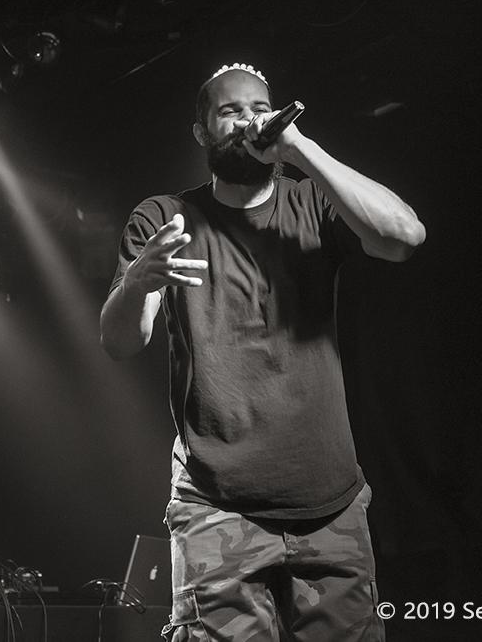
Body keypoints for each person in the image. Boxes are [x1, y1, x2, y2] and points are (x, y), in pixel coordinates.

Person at [100, 63, 426, 641]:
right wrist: (136, 285)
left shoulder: (312, 201)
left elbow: (403, 238)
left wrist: (300, 150)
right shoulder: (165, 217)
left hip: (331, 504)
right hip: (216, 508)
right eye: (230, 111)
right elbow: (121, 342)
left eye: (258, 109)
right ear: (201, 131)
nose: (247, 121)